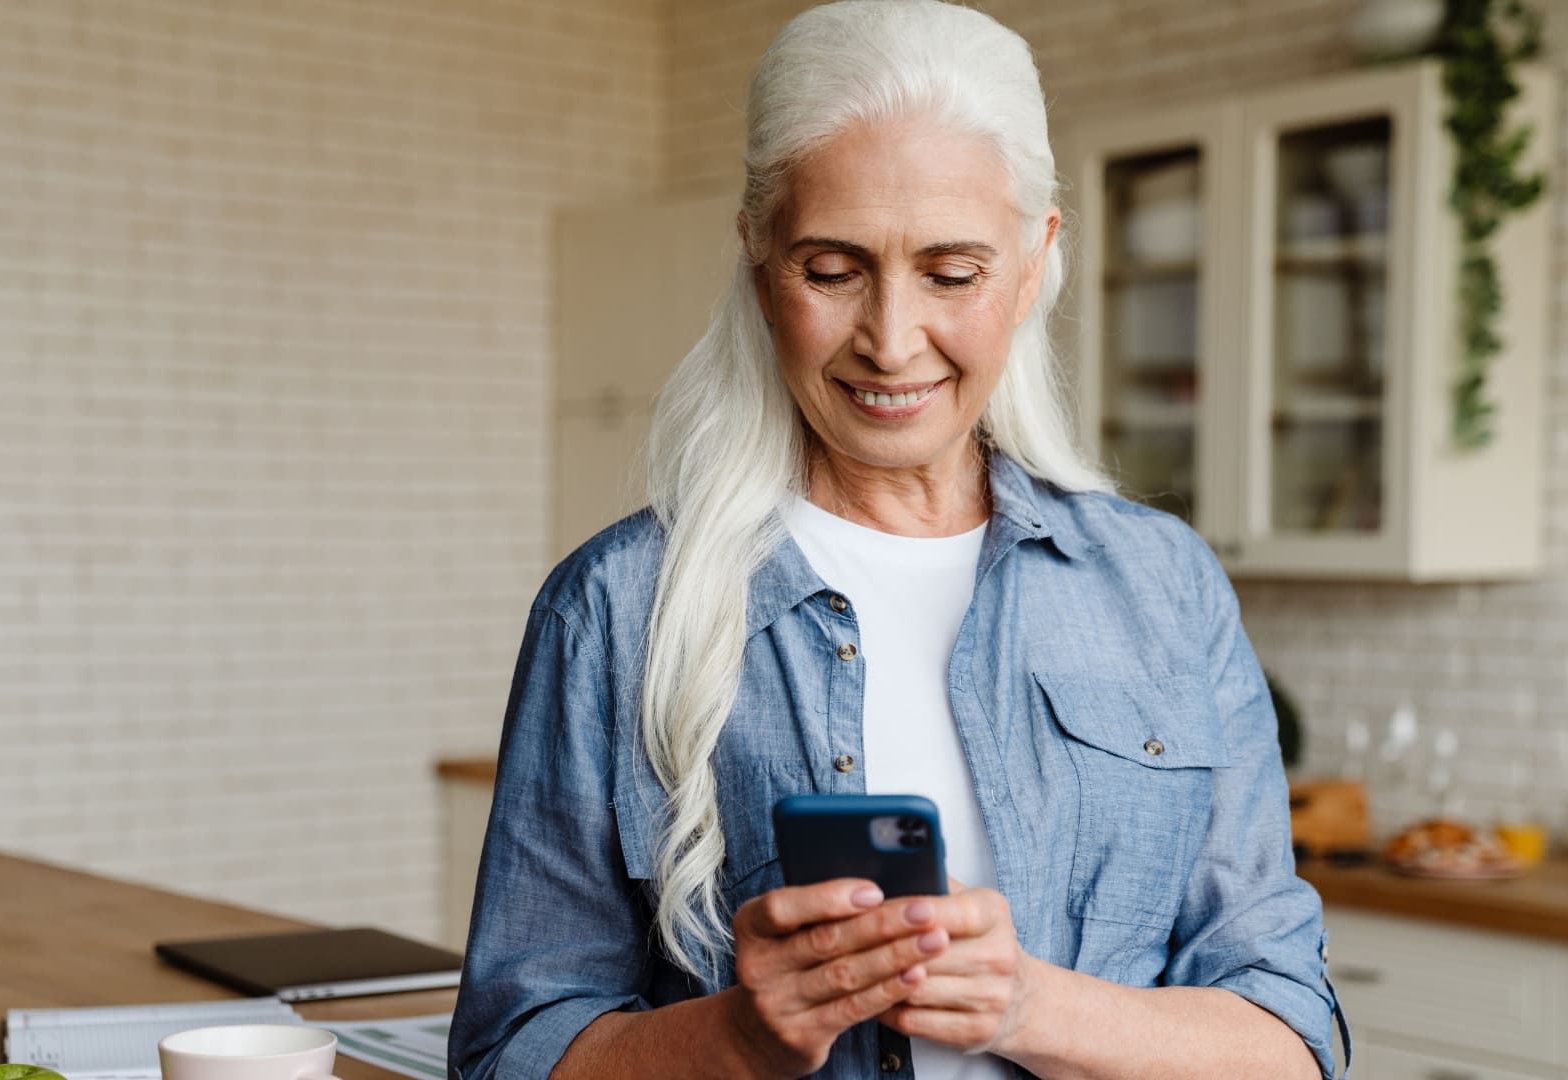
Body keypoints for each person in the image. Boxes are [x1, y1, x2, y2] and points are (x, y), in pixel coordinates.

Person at [448, 2, 1351, 1077]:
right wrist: (741, 1033)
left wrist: (1025, 1005)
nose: (890, 339)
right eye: (831, 270)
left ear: (1033, 261)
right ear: (756, 256)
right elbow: (510, 1054)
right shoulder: (615, 608)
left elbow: (1290, 1044)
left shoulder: (1162, 587)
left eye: (952, 272)